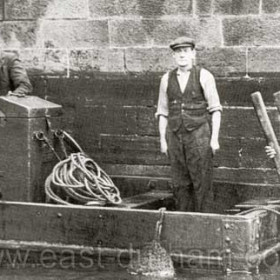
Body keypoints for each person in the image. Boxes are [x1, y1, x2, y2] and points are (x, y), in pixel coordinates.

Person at [155, 36, 222, 212]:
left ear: (193, 53)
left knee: (202, 180)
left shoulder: (204, 76)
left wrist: (214, 140)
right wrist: (163, 140)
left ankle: (204, 223)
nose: (181, 55)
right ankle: (183, 223)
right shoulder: (166, 79)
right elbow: (163, 112)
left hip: (199, 135)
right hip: (175, 136)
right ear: (173, 56)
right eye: (178, 52)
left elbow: (216, 110)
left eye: (185, 51)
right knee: (179, 182)